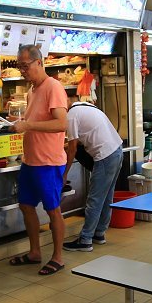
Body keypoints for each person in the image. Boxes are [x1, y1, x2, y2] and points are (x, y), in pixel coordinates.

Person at [7, 45, 69, 275]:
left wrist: (28, 125)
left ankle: (58, 257)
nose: (22, 70)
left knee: (53, 210)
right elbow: (35, 121)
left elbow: (61, 124)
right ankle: (35, 252)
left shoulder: (53, 87)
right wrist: (18, 121)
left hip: (48, 162)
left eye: (25, 66)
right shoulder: (32, 90)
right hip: (31, 161)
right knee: (26, 206)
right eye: (19, 66)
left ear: (39, 62)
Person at [62, 90, 124, 252]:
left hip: (105, 156)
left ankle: (85, 239)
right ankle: (99, 233)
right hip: (116, 150)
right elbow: (82, 138)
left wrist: (64, 174)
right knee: (106, 196)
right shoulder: (85, 106)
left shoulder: (71, 115)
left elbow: (73, 148)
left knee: (95, 199)